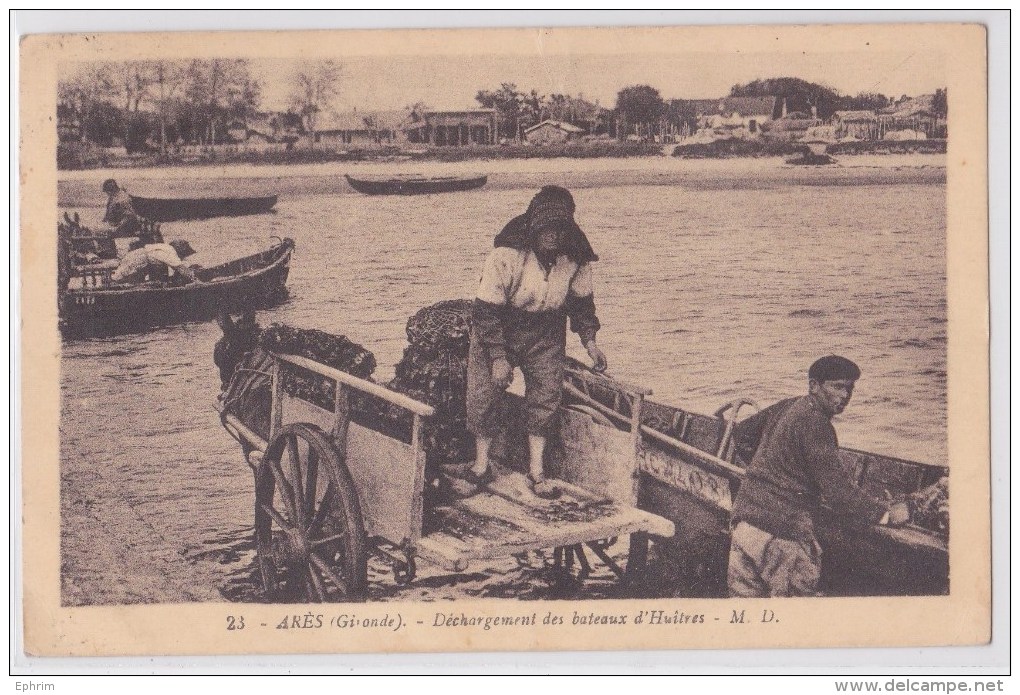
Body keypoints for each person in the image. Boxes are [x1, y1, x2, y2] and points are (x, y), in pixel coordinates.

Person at [464, 186, 607, 499]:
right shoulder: (506, 256)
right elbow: (485, 312)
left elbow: (582, 306)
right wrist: (499, 358)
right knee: (485, 392)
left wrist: (591, 343)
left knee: (546, 395)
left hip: (546, 330)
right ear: (534, 228)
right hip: (500, 324)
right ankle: (480, 465)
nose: (553, 237)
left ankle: (536, 471)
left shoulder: (576, 260)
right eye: (547, 229)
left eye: (560, 229)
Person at [727, 356, 911, 597]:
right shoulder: (817, 424)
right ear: (814, 385)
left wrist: (771, 473)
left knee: (747, 618)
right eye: (837, 386)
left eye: (850, 388)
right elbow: (839, 494)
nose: (845, 396)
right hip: (783, 537)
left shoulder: (790, 405)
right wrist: (885, 515)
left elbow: (742, 434)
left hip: (745, 525)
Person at [110, 239, 201, 285]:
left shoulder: (163, 248)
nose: (183, 257)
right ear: (180, 250)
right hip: (139, 259)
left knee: (126, 280)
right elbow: (181, 268)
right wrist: (197, 281)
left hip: (136, 255)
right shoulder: (170, 251)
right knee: (120, 279)